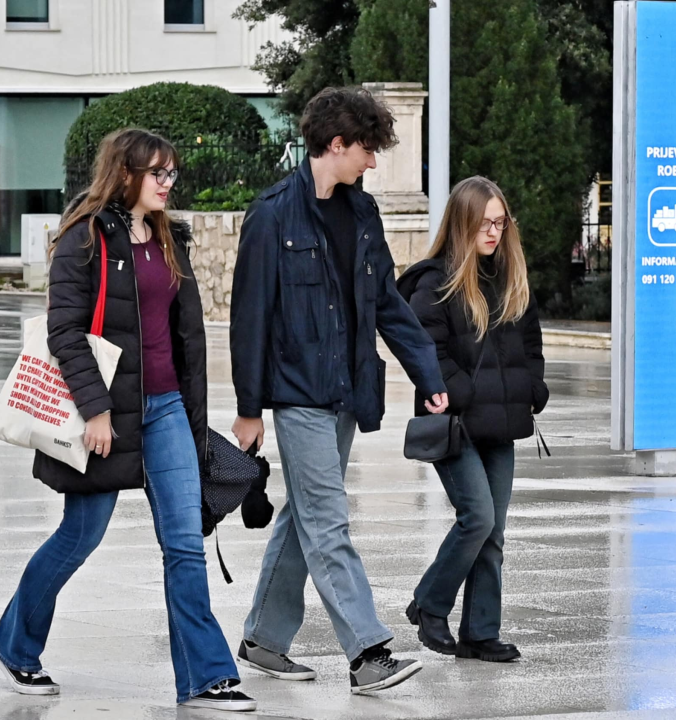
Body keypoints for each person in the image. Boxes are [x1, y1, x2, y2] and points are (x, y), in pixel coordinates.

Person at [0, 129, 256, 712]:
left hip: (166, 412)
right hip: (106, 415)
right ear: (126, 173)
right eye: (157, 173)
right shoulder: (84, 238)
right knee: (79, 536)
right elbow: (64, 331)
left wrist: (194, 417)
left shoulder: (168, 238)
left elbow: (184, 338)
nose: (167, 184)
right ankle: (15, 642)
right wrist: (97, 409)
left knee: (184, 543)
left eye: (171, 174)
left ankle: (207, 677)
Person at [230, 86, 449, 694]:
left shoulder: (362, 213)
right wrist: (250, 410)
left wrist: (426, 373)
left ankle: (263, 638)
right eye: (367, 150)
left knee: (305, 512)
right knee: (328, 521)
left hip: (346, 391)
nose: (373, 163)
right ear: (336, 145)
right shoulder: (272, 214)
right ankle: (367, 652)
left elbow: (386, 303)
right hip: (296, 392)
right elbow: (249, 320)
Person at [397, 176, 549, 663]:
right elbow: (424, 350)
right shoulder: (435, 281)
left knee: (494, 531)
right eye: (484, 223)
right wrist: (461, 393)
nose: (493, 232)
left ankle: (481, 632)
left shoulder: (509, 277)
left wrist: (534, 391)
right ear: (462, 223)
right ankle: (430, 603)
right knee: (477, 517)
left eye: (500, 223)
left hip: (501, 425)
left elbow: (531, 347)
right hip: (456, 423)